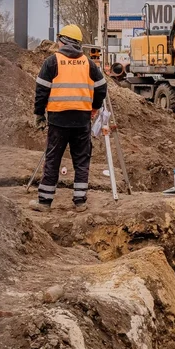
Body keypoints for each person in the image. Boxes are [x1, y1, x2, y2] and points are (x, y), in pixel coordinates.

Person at [30, 24, 107, 213]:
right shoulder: (88, 64)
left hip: (58, 120)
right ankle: (80, 201)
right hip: (82, 119)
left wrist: (39, 114)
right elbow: (101, 88)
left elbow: (41, 91)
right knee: (81, 160)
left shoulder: (51, 62)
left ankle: (45, 202)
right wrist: (94, 108)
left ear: (62, 41)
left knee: (53, 158)